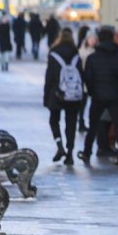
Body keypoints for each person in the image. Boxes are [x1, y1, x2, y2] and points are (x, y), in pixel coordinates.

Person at [78, 26, 118, 165]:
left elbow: (87, 78)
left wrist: (92, 91)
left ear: (99, 39)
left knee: (93, 125)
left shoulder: (92, 58)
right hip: (115, 96)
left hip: (98, 96)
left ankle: (87, 152)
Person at [44, 28, 83, 165]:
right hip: (73, 95)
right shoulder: (76, 54)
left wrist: (46, 96)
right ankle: (70, 153)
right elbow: (80, 75)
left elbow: (49, 77)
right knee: (71, 123)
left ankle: (59, 145)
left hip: (57, 93)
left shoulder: (53, 54)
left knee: (54, 120)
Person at [76, 28, 96, 133]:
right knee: (82, 104)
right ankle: (81, 123)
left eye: (94, 38)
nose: (93, 41)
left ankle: (88, 123)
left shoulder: (96, 51)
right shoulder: (81, 51)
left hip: (93, 81)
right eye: (91, 38)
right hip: (83, 81)